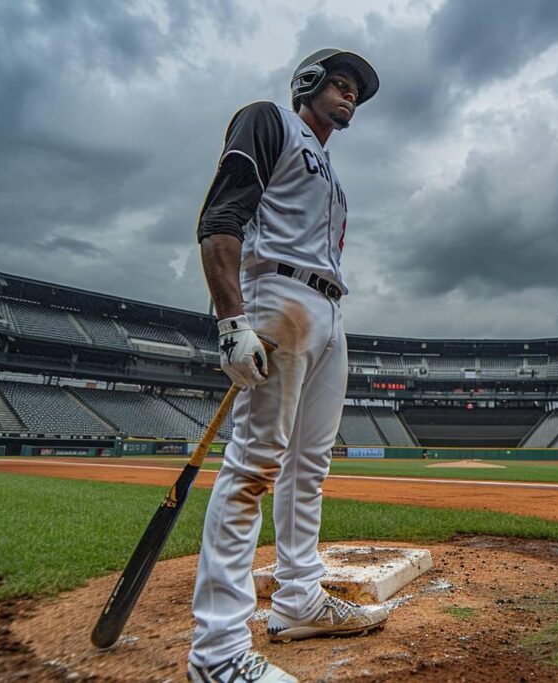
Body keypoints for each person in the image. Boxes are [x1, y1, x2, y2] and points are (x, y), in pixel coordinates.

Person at [188, 48, 387, 683]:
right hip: (278, 295)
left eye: (356, 90)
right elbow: (221, 217)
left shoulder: (329, 168)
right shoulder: (268, 119)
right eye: (339, 83)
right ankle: (217, 654)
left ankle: (300, 597)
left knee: (309, 464)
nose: (349, 95)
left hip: (328, 306)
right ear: (307, 84)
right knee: (253, 465)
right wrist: (231, 321)